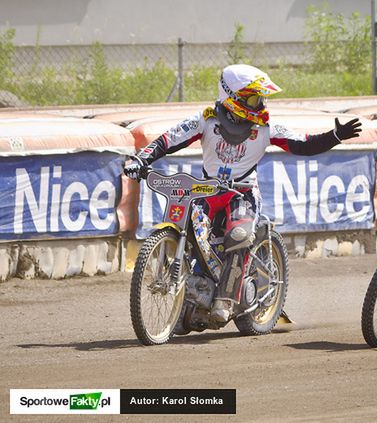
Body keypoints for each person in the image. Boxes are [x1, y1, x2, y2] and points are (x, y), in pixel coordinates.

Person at [124, 64, 362, 322]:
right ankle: (193, 290)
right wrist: (140, 159)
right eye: (253, 98)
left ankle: (225, 300)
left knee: (238, 233)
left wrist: (336, 135)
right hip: (207, 191)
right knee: (190, 231)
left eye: (261, 98)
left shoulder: (265, 127)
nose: (260, 105)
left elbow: (303, 144)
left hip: (243, 193)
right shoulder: (206, 118)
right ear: (231, 96)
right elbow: (167, 140)